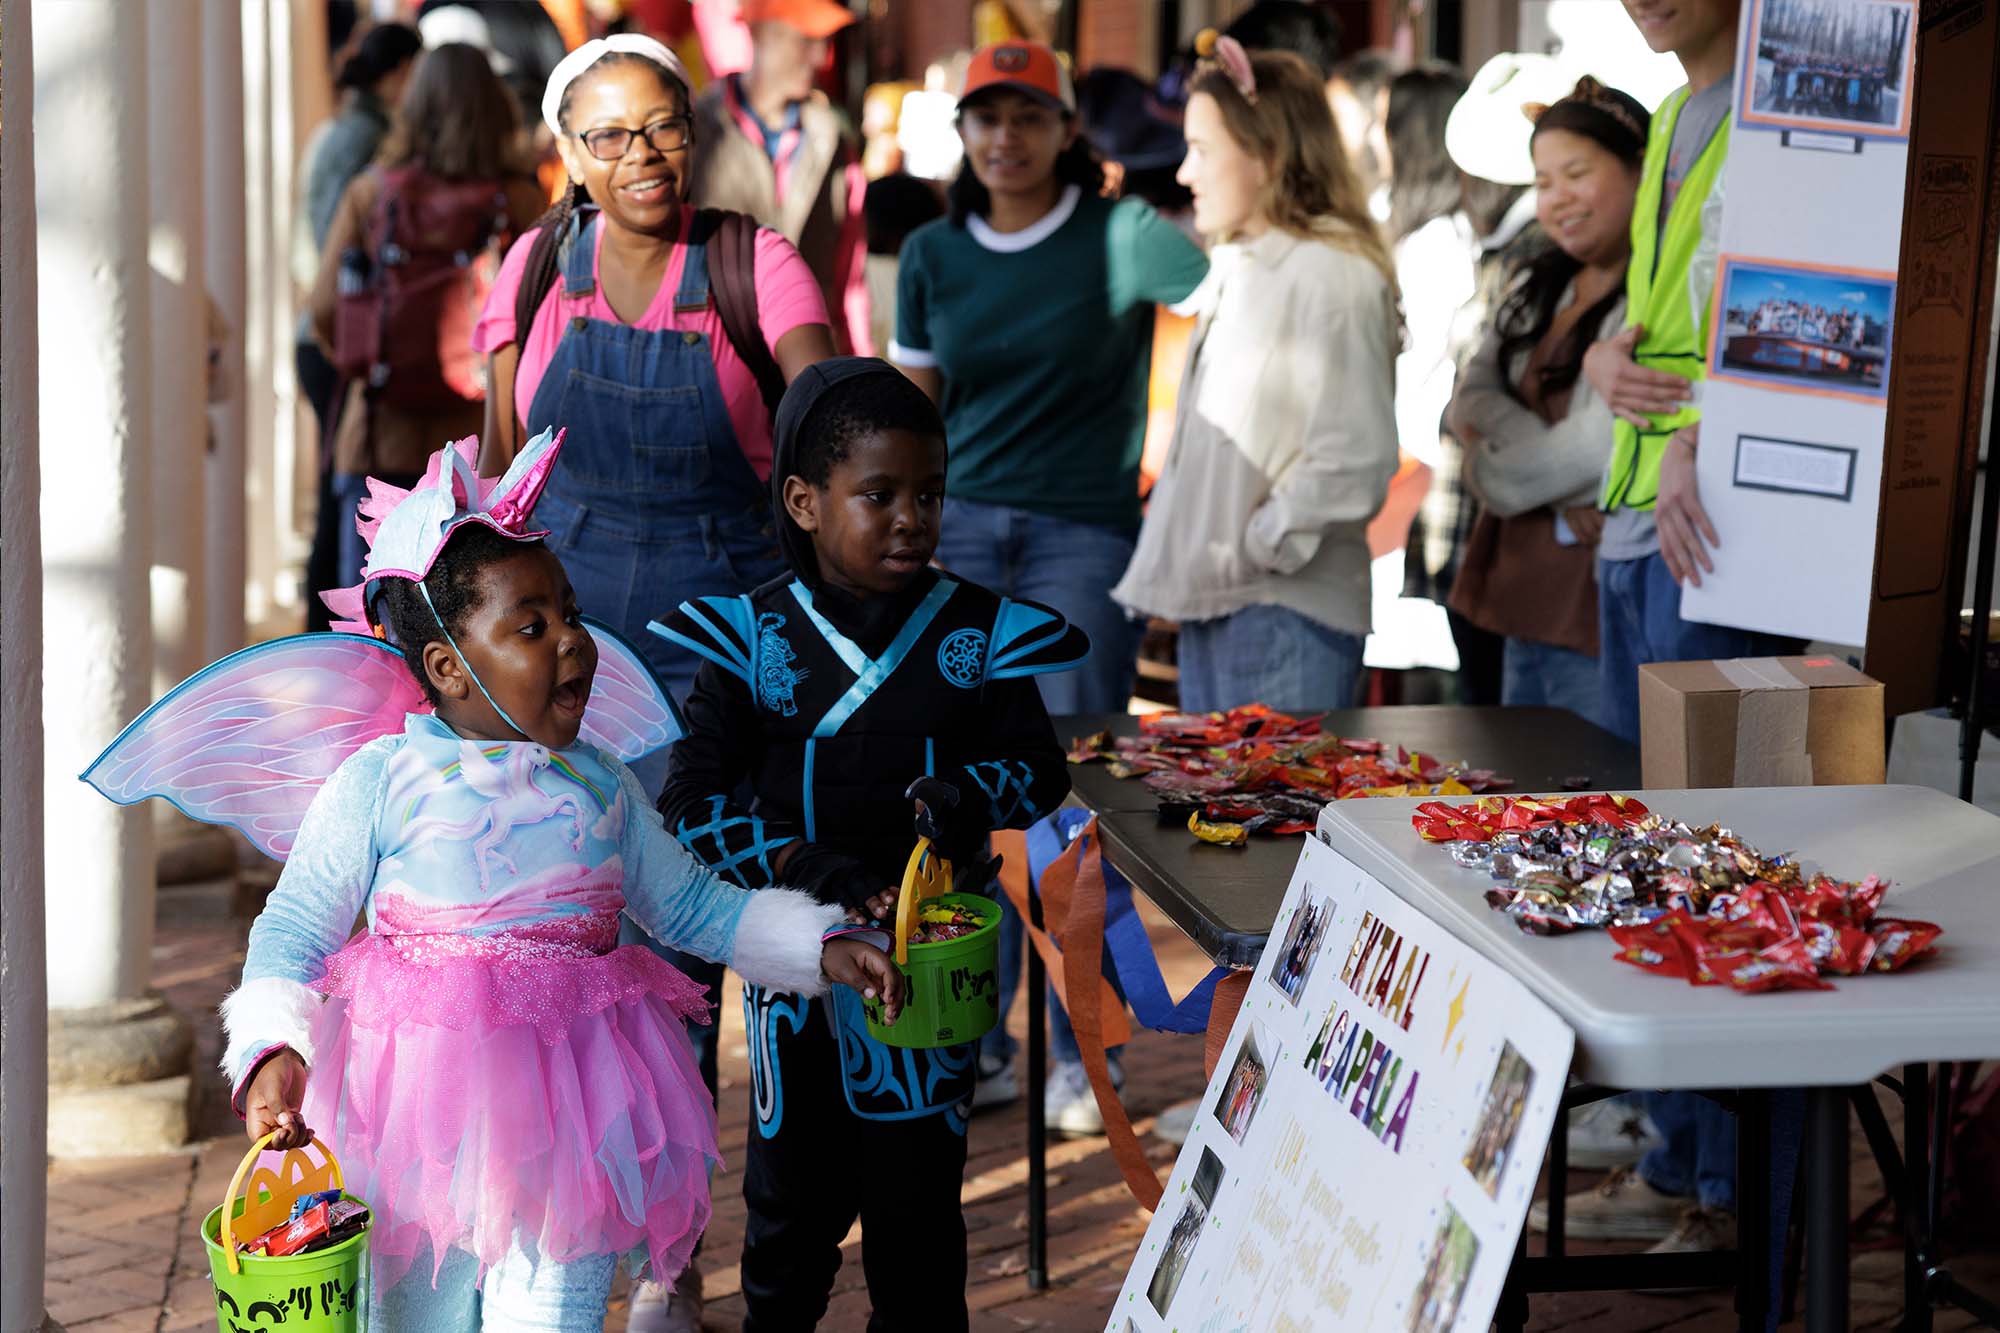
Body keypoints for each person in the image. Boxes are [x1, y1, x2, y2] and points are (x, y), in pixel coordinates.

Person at [121, 431, 903, 1329]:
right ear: (448, 667)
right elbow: (297, 924)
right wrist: (272, 1045)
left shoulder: (603, 782)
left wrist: (819, 941)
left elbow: (688, 901)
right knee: (410, 1316)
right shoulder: (381, 781)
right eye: (531, 627)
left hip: (572, 1127)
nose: (572, 642)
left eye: (568, 613)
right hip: (407, 1127)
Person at [654, 358, 1083, 1332]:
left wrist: (971, 799)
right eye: (878, 494)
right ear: (804, 501)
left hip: (925, 965)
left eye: (927, 494)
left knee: (918, 1217)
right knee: (787, 1218)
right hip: (794, 965)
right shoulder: (746, 633)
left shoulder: (975, 631)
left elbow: (1039, 769)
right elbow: (691, 799)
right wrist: (809, 868)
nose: (910, 518)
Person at [890, 40, 1206, 1131]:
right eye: (984, 116)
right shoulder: (930, 250)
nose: (1004, 137)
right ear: (963, 133)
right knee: (962, 799)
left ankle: (1088, 1053)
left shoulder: (1120, 236)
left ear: (1066, 129)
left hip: (1083, 536)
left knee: (1069, 807)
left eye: (1026, 116)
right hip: (961, 539)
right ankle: (976, 1041)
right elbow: (910, 419)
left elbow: (1234, 297)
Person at [1542, 0, 1803, 1263]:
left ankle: (1734, 1191)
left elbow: (1816, 319)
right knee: (1665, 849)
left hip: (1731, 530)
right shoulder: (1669, 114)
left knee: (1737, 856)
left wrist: (1720, 423)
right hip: (1647, 520)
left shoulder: (1790, 95)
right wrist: (1602, 363)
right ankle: (1688, 1160)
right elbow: (1654, 315)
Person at [475, 35, 836, 721]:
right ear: (572, 157)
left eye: (663, 126)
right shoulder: (536, 266)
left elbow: (834, 421)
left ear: (692, 134)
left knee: (704, 819)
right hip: (560, 634)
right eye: (607, 136)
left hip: (731, 631)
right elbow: (499, 465)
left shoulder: (755, 265)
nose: (641, 152)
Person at [1111, 39, 1398, 714]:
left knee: (1267, 818)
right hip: (1232, 599)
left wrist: (1263, 542)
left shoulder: (1332, 273)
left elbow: (1356, 454)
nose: (1185, 172)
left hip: (1282, 609)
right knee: (1226, 816)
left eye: (1203, 150)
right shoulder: (1250, 263)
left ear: (1269, 153)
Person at [1446, 77, 1651, 729]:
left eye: (1576, 174)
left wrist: (1489, 470)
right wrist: (1558, 488)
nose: (1557, 199)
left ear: (1640, 170)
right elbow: (1469, 396)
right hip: (1518, 597)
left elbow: (1608, 442)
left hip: (1593, 610)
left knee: (1588, 803)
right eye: (1543, 181)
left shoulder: (1653, 299)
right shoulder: (1540, 283)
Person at [309, 42, 548, 595]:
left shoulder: (371, 195)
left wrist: (371, 357)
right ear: (496, 110)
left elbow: (325, 309)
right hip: (478, 455)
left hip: (376, 442)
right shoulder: (520, 202)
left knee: (372, 627)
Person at [298, 20, 422, 630]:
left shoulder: (343, 131)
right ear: (399, 74)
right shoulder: (368, 142)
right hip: (343, 342)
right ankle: (324, 641)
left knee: (336, 498)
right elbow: (339, 260)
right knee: (340, 506)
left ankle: (318, 639)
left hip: (333, 339)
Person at [1375, 63, 1478, 691]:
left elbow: (1419, 373)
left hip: (1417, 473)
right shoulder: (1428, 234)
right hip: (1409, 470)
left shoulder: (1436, 244)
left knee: (1420, 677)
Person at [691, 0, 873, 355]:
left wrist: (858, 369)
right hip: (716, 360)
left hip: (809, 366)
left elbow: (850, 280)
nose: (822, 57)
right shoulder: (695, 132)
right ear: (759, 34)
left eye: (825, 42)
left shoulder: (832, 139)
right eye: (806, 40)